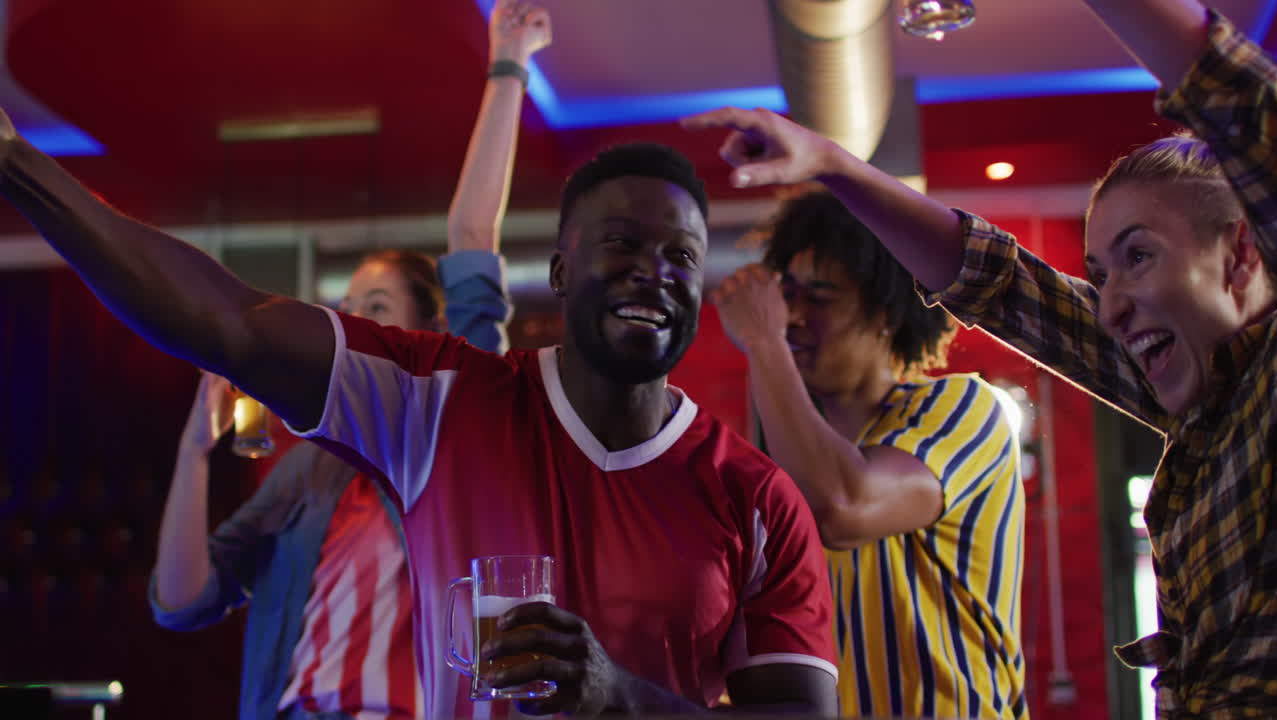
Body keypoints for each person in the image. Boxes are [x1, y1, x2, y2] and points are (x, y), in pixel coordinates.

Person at [0, 33, 838, 720]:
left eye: (681, 255)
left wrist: (619, 697)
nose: (653, 270)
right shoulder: (440, 400)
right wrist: (14, 161)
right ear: (558, 270)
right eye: (621, 242)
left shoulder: (757, 496)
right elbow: (232, 322)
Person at [684, 0, 1277, 714]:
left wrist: (765, 339)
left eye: (1139, 257)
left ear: (1242, 253)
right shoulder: (1205, 404)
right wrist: (832, 165)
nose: (1112, 306)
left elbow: (1247, 108)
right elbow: (1002, 287)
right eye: (1100, 276)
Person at [148, 2, 545, 718]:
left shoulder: (451, 426)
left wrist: (508, 64)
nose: (355, 323)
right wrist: (192, 452)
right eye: (348, 307)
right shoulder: (311, 467)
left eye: (378, 307)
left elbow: (472, 236)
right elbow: (182, 602)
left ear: (429, 333)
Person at [713, 189, 1024, 719]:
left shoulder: (964, 407)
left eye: (820, 296)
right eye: (786, 295)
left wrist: (764, 340)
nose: (791, 317)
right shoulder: (791, 461)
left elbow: (843, 506)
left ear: (885, 311)